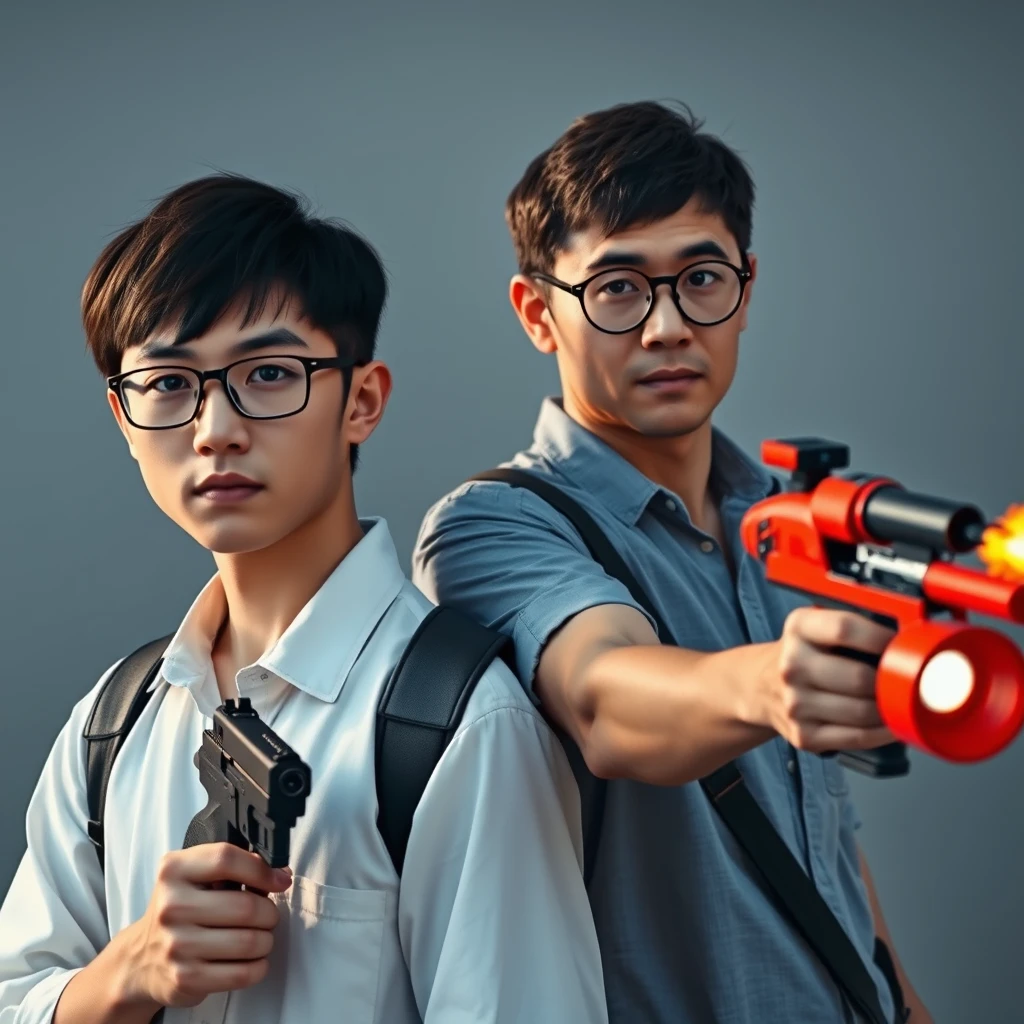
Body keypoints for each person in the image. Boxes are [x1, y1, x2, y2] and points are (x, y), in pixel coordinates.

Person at [0, 174, 607, 1024]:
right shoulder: (113, 721)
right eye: (170, 384)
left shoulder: (457, 725)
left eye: (270, 372)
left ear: (361, 400)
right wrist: (123, 975)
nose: (216, 428)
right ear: (123, 418)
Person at [412, 101, 934, 1023]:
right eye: (617, 287)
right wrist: (772, 684)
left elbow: (818, 836)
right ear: (539, 312)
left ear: (746, 285)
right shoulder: (492, 525)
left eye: (701, 278)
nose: (666, 327)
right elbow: (604, 697)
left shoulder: (783, 526)